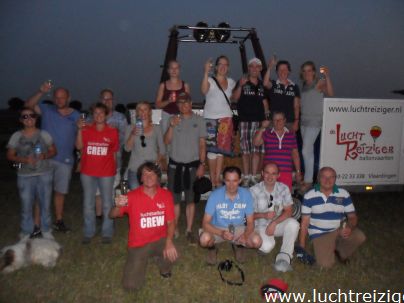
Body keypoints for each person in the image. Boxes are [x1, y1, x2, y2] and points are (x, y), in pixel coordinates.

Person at [109, 162, 178, 291]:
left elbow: (171, 222)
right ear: (140, 178)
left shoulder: (166, 195)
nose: (148, 177)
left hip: (160, 240)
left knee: (175, 252)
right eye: (145, 174)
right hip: (139, 244)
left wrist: (169, 242)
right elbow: (111, 215)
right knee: (131, 286)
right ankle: (143, 260)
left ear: (158, 178)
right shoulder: (131, 196)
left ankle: (163, 265)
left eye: (152, 174)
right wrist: (118, 206)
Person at [26, 82, 80, 232]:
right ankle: (37, 226)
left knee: (60, 192)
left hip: (66, 160)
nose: (59, 100)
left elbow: (83, 136)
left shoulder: (76, 115)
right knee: (41, 193)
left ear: (68, 98)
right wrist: (40, 91)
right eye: (56, 97)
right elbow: (28, 106)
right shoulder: (47, 109)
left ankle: (58, 220)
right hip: (45, 158)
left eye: (62, 98)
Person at [298, 167, 366, 268]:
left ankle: (341, 252)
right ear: (318, 178)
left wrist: (349, 228)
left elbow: (352, 217)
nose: (327, 180)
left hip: (339, 230)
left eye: (331, 177)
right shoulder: (309, 195)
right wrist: (301, 247)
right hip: (320, 234)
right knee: (325, 265)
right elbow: (304, 223)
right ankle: (327, 248)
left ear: (335, 179)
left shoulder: (343, 194)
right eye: (324, 177)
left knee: (359, 236)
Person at [6, 107, 57, 239]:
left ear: (36, 118)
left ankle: (46, 230)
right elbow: (10, 155)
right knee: (26, 204)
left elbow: (53, 151)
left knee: (45, 203)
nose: (29, 119)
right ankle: (26, 231)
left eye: (32, 115)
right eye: (25, 116)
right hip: (25, 175)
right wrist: (23, 159)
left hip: (44, 174)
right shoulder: (17, 136)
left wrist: (45, 155)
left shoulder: (44, 134)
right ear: (20, 120)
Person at [164, 92, 206, 244]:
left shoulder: (199, 120)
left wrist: (202, 164)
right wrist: (171, 126)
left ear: (190, 102)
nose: (183, 105)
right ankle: (174, 228)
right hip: (175, 166)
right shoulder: (172, 119)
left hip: (192, 167)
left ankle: (189, 230)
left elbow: (202, 144)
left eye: (186, 102)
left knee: (190, 200)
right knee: (174, 200)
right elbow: (166, 141)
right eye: (180, 103)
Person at [199, 166, 262, 265]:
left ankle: (239, 245)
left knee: (257, 241)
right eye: (228, 181)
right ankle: (212, 248)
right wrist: (221, 233)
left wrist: (245, 236)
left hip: (239, 228)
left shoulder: (246, 194)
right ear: (224, 180)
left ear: (240, 180)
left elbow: (250, 222)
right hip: (218, 228)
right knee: (204, 240)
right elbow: (205, 223)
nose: (231, 185)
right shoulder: (215, 195)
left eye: (235, 181)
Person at [76, 103, 119, 244]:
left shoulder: (112, 131)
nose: (99, 115)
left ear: (106, 115)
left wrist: (114, 170)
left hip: (107, 173)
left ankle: (107, 232)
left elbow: (114, 152)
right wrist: (78, 130)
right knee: (88, 203)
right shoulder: (86, 130)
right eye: (95, 113)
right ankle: (89, 232)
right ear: (92, 115)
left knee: (107, 203)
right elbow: (79, 146)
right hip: (88, 172)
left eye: (101, 112)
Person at [250, 162, 299, 272]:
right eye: (267, 173)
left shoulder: (284, 188)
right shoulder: (253, 190)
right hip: (260, 224)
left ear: (278, 175)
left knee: (293, 224)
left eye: (273, 174)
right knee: (267, 247)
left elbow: (289, 211)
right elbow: (248, 216)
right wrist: (263, 215)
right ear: (262, 173)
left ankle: (285, 257)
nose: (270, 177)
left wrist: (274, 222)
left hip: (276, 224)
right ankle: (262, 244)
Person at [232, 57, 269, 187]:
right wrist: (240, 86)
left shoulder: (261, 85)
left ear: (259, 69)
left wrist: (267, 117)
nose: (254, 69)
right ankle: (246, 176)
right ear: (248, 68)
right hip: (244, 121)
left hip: (259, 122)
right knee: (245, 150)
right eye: (252, 66)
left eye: (257, 67)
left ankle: (254, 176)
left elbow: (265, 103)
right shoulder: (242, 81)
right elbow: (234, 99)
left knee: (256, 150)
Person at [201, 55, 236, 188]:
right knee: (211, 150)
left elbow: (235, 97)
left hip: (225, 119)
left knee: (221, 149)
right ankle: (212, 179)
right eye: (220, 64)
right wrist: (205, 72)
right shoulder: (210, 79)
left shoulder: (232, 82)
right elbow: (203, 90)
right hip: (210, 119)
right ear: (216, 66)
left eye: (226, 64)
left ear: (228, 67)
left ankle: (217, 178)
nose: (223, 66)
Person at [299, 62, 334, 192]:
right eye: (304, 70)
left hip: (315, 122)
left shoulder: (318, 82)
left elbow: (330, 93)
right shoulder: (303, 85)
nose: (307, 73)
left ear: (313, 72)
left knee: (305, 150)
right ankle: (309, 179)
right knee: (309, 151)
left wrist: (327, 76)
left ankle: (308, 181)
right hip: (304, 122)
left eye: (309, 70)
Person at [94, 89, 128, 221]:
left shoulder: (120, 118)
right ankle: (99, 216)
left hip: (115, 161)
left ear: (113, 100)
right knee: (98, 192)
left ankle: (110, 217)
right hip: (96, 161)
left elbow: (124, 140)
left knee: (112, 190)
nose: (107, 101)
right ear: (100, 100)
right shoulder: (94, 117)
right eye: (104, 99)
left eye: (109, 99)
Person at [254, 111, 302, 191]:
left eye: (280, 119)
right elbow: (256, 143)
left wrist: (298, 171)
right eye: (275, 120)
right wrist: (262, 127)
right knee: (267, 197)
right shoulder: (267, 133)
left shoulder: (291, 134)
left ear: (285, 120)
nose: (277, 122)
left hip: (286, 172)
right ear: (272, 121)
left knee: (284, 199)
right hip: (269, 173)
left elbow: (295, 155)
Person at [125, 102, 165, 189]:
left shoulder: (157, 128)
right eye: (140, 109)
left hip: (152, 170)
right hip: (135, 168)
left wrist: (156, 164)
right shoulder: (130, 128)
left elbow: (162, 150)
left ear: (150, 112)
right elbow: (127, 149)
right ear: (137, 112)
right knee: (136, 196)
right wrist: (132, 134)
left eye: (145, 109)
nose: (143, 112)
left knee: (152, 196)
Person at [263, 59, 301, 132]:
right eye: (280, 70)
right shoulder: (273, 84)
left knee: (288, 143)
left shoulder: (294, 87)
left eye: (285, 69)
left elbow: (296, 106)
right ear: (277, 72)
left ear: (289, 71)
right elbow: (265, 83)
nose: (282, 71)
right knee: (272, 143)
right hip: (274, 122)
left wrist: (296, 121)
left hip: (289, 122)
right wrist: (269, 68)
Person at [155, 60, 191, 133]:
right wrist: (168, 101)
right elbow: (157, 105)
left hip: (181, 116)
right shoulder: (163, 85)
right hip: (166, 116)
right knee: (166, 141)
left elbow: (188, 105)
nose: (174, 70)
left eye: (176, 68)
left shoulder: (185, 85)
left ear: (179, 70)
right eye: (172, 68)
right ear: (168, 70)